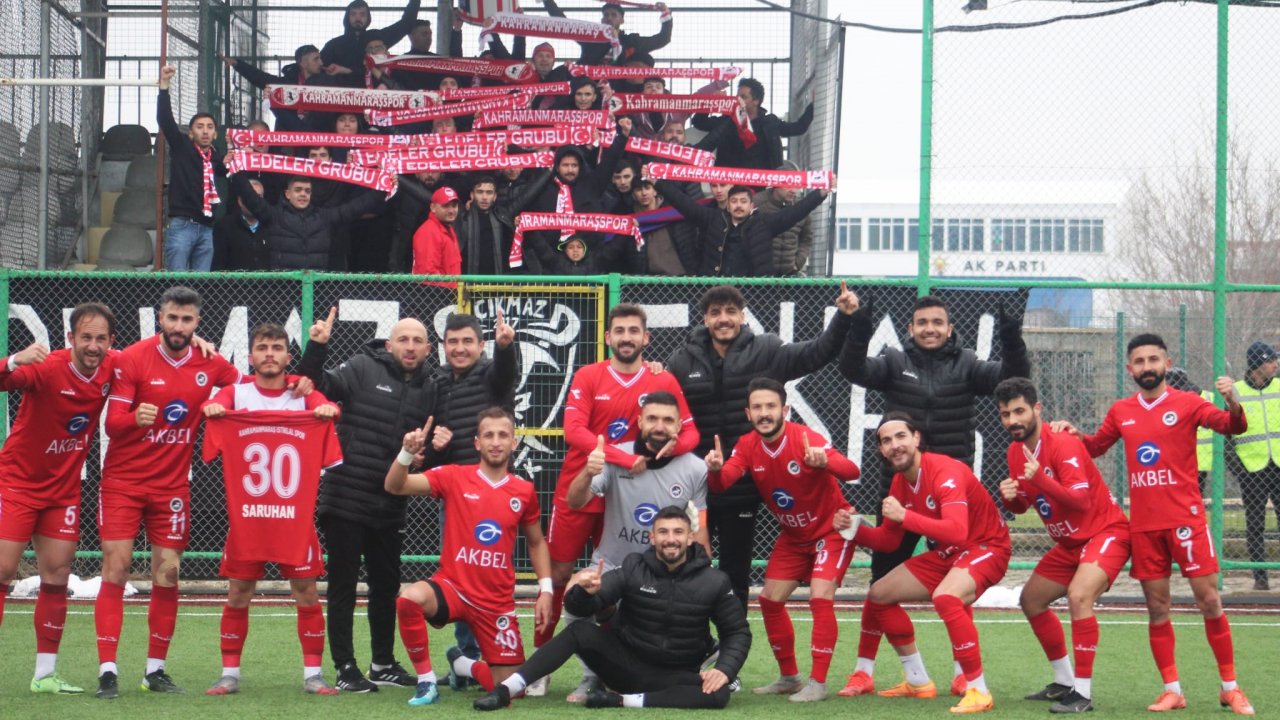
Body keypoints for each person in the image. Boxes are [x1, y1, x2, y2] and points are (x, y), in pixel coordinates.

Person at [836, 293, 1028, 698]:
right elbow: (852, 368)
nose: (929, 329)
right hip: (903, 486)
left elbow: (1012, 377)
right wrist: (860, 324)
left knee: (955, 588)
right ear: (910, 328)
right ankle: (865, 671)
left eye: (937, 322)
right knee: (881, 584)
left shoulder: (968, 364)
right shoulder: (894, 361)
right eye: (922, 322)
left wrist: (1011, 336)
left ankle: (965, 676)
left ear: (950, 328)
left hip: (949, 490)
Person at [1052, 333, 1255, 714]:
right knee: (1157, 608)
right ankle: (1172, 690)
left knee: (1210, 601)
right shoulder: (1121, 410)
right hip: (1144, 527)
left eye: (1153, 360)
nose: (1147, 367)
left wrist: (1232, 401)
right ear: (1130, 368)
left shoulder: (1189, 402)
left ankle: (1230, 687)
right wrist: (1074, 435)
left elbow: (1232, 426)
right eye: (1140, 361)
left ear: (1166, 363)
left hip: (1186, 522)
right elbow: (1096, 446)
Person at [534, 303, 699, 701]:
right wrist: (623, 458)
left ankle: (599, 670)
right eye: (619, 331)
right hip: (584, 483)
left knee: (611, 581)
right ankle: (541, 665)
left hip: (629, 490)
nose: (626, 337)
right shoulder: (589, 375)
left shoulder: (662, 379)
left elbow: (691, 432)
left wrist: (672, 449)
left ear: (646, 338)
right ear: (607, 337)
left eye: (634, 331)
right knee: (560, 575)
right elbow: (573, 431)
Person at [665, 283, 858, 610]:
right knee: (689, 564)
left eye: (730, 312)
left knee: (735, 571)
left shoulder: (767, 350)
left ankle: (733, 636)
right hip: (695, 483)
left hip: (742, 485)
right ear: (705, 319)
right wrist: (653, 369)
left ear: (742, 316)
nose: (723, 319)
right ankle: (692, 634)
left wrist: (843, 317)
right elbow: (657, 397)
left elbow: (817, 352)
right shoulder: (682, 361)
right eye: (715, 313)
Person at [95, 286, 243, 698]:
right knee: (116, 569)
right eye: (172, 318)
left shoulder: (209, 361)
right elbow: (112, 425)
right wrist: (134, 419)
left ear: (198, 323)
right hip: (123, 483)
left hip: (172, 486)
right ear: (160, 318)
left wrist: (220, 401)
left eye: (187, 319)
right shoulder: (133, 358)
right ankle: (107, 670)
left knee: (168, 575)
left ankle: (154, 671)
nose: (179, 326)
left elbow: (246, 386)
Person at [473, 506, 750, 711]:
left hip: (674, 675)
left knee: (719, 693)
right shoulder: (633, 567)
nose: (671, 539)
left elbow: (737, 632)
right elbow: (582, 607)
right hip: (625, 665)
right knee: (580, 631)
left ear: (690, 538)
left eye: (678, 532)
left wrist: (724, 670)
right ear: (652, 537)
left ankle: (620, 701)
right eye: (663, 532)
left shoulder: (714, 581)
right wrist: (583, 593)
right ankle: (505, 690)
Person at [295, 308, 438, 693]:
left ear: (428, 349)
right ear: (389, 345)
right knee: (342, 586)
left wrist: (426, 454)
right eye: (403, 340)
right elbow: (315, 385)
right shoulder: (361, 367)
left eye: (418, 341)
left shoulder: (431, 387)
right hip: (345, 496)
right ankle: (345, 667)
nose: (410, 347)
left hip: (390, 502)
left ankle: (382, 663)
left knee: (385, 586)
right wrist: (316, 346)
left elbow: (426, 450)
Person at [834, 412, 1012, 714]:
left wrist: (905, 516)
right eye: (886, 441)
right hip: (950, 553)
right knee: (879, 595)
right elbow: (889, 541)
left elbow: (958, 531)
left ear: (917, 438)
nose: (894, 445)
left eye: (901, 436)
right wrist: (853, 529)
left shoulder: (945, 471)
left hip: (987, 547)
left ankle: (978, 690)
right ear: (881, 450)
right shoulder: (900, 483)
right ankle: (918, 680)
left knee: (946, 597)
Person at [200, 323, 343, 697]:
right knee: (238, 592)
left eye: (277, 348)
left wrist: (325, 409)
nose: (269, 354)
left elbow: (328, 409)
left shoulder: (301, 393)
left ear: (287, 356)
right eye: (262, 348)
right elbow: (212, 407)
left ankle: (313, 674)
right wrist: (213, 408)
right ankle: (229, 674)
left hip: (294, 518)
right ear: (250, 357)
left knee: (306, 592)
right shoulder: (237, 393)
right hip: (249, 517)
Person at [703, 378, 860, 703]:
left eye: (770, 406)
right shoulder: (747, 444)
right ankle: (789, 678)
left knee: (820, 598)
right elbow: (723, 483)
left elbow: (851, 471)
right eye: (757, 407)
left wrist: (825, 461)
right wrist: (716, 470)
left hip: (832, 530)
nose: (764, 413)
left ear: (784, 410)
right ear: (748, 413)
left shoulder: (805, 438)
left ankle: (818, 683)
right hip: (794, 537)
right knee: (770, 600)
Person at [386, 408, 553, 706]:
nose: (496, 442)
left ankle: (462, 664)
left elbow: (537, 542)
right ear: (477, 442)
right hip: (453, 588)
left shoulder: (524, 491)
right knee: (409, 599)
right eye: (488, 435)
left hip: (495, 602)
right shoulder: (454, 476)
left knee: (512, 691)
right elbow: (395, 485)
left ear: (514, 442)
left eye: (503, 435)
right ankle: (426, 681)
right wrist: (406, 453)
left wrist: (547, 590)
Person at [993, 377, 1131, 714]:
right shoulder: (1015, 451)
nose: (1013, 420)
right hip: (1070, 544)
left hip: (1106, 533)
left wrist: (1040, 478)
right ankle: (1064, 681)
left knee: (1079, 596)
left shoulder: (1063, 444)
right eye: (1006, 414)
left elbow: (1081, 501)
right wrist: (1010, 499)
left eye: (1019, 411)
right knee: (1031, 600)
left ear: (1037, 409)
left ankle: (1082, 694)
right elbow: (1025, 504)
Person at [0, 303, 116, 696]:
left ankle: (45, 675)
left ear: (111, 341)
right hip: (17, 485)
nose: (93, 346)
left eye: (100, 339)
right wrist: (13, 360)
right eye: (86, 337)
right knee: (2, 570)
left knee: (57, 576)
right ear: (70, 338)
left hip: (62, 492)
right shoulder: (47, 367)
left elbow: (156, 355)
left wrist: (197, 343)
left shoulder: (113, 366)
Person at [567, 392, 710, 566]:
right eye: (652, 419)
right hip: (611, 567)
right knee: (575, 583)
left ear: (679, 426)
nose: (659, 427)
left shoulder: (696, 469)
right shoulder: (616, 456)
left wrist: (702, 573)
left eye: (668, 420)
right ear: (640, 422)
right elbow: (574, 502)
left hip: (666, 571)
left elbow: (700, 528)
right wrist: (587, 473)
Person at [652, 181, 831, 276]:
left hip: (753, 292)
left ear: (751, 205)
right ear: (728, 205)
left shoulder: (764, 224)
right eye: (734, 201)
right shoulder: (713, 219)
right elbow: (685, 204)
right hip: (716, 288)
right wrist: (657, 182)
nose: (738, 205)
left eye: (743, 201)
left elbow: (795, 213)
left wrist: (820, 193)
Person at [228, 173, 387, 271]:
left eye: (307, 191)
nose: (303, 194)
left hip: (314, 290)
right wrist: (237, 171)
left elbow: (356, 208)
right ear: (287, 194)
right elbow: (251, 198)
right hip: (280, 291)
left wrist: (383, 188)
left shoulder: (324, 217)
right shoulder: (274, 215)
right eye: (298, 190)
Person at [157, 65, 223, 271]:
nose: (205, 131)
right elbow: (165, 120)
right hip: (182, 224)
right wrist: (164, 86)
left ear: (215, 134)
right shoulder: (182, 146)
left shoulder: (216, 157)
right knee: (178, 281)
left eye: (210, 127)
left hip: (207, 227)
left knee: (200, 284)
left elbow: (229, 170)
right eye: (199, 127)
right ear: (191, 133)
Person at [1230, 340, 1280, 591]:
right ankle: (1261, 577)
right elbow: (1225, 439)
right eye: (1271, 360)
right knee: (1255, 524)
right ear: (1257, 365)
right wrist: (1240, 470)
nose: (1275, 364)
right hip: (1252, 470)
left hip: (1279, 466)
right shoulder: (1235, 393)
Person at [691, 78, 813, 171]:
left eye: (743, 97)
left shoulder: (769, 123)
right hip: (728, 183)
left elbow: (799, 128)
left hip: (759, 185)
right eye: (737, 96)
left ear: (756, 101)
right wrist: (712, 103)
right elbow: (699, 122)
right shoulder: (727, 121)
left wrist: (814, 105)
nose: (738, 100)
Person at [540, 0, 672, 66]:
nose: (609, 17)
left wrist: (665, 14)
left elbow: (663, 39)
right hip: (588, 88)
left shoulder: (632, 41)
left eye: (614, 15)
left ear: (622, 20)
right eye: (606, 15)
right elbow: (564, 24)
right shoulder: (591, 37)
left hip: (621, 90)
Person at [321, 0, 421, 86]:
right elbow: (318, 67)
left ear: (368, 17)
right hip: (341, 97)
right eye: (353, 14)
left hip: (374, 94)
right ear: (347, 17)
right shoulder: (333, 45)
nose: (358, 18)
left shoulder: (376, 38)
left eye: (362, 14)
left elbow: (406, 23)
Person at [753, 165, 814, 276]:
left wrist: (798, 263)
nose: (793, 190)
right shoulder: (757, 203)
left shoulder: (802, 207)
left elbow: (806, 238)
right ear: (776, 182)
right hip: (761, 275)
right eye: (789, 184)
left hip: (790, 274)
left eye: (796, 185)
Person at [212, 177, 270, 271]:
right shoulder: (224, 227)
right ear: (239, 201)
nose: (254, 202)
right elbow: (219, 265)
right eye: (249, 197)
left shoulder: (270, 226)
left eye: (259, 197)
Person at [412, 186, 462, 277]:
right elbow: (427, 273)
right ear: (433, 207)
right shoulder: (429, 232)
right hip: (436, 286)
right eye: (445, 206)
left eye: (454, 206)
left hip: (449, 285)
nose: (451, 210)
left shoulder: (447, 228)